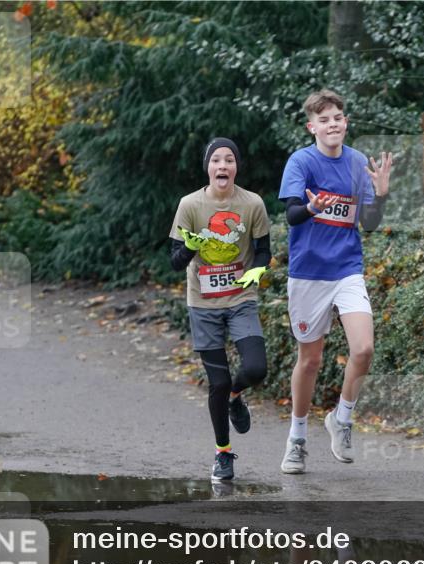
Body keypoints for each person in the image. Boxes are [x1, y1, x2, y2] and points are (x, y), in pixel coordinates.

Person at [277, 89, 394, 474]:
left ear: (346, 123)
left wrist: (379, 195)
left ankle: (341, 420)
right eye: (324, 119)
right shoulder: (301, 161)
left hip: (347, 268)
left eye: (338, 118)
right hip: (309, 272)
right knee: (310, 360)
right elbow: (292, 215)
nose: (333, 124)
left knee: (363, 348)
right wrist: (312, 207)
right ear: (312, 127)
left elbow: (369, 224)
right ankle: (296, 440)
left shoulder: (358, 162)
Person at [169, 137, 271, 483]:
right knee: (217, 381)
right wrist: (188, 249)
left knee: (256, 368)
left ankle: (236, 395)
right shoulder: (189, 205)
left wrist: (259, 267)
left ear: (236, 167)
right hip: (203, 303)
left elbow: (263, 249)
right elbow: (173, 261)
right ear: (208, 167)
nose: (223, 166)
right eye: (216, 160)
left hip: (241, 299)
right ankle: (223, 453)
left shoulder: (252, 203)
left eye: (229, 160)